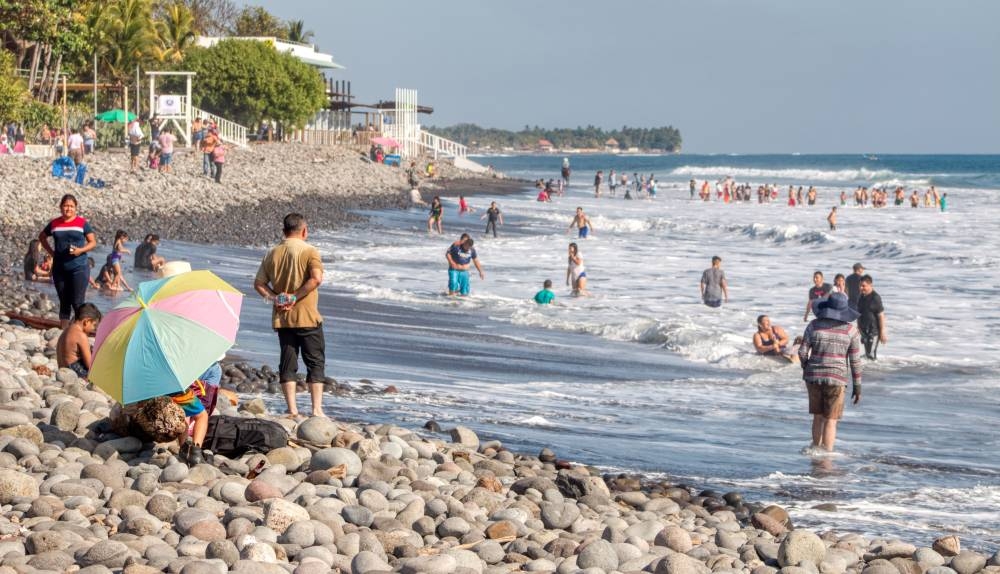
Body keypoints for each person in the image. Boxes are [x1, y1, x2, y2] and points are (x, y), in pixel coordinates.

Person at [253, 213, 326, 418]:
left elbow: (259, 284)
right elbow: (316, 279)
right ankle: (316, 410)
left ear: (284, 231)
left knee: (288, 362)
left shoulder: (272, 253)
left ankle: (292, 409)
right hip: (307, 316)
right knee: (315, 362)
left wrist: (276, 298)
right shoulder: (310, 250)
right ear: (304, 231)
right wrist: (295, 297)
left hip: (283, 318)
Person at [797, 293, 863, 453]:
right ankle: (826, 456)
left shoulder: (813, 325)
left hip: (813, 377)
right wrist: (857, 386)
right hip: (837, 379)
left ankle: (815, 450)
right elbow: (855, 361)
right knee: (831, 420)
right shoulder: (851, 331)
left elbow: (802, 352)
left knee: (818, 417)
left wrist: (807, 367)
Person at [39, 194, 97, 328]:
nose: (68, 209)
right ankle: (64, 330)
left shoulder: (82, 223)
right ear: (61, 207)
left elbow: (93, 242)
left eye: (71, 206)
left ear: (76, 208)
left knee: (77, 301)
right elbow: (42, 237)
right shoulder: (55, 223)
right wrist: (51, 252)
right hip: (59, 267)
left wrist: (80, 250)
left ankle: (79, 330)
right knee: (64, 300)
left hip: (79, 266)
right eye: (65, 206)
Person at [56, 303, 102, 379]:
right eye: (94, 325)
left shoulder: (67, 330)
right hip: (75, 374)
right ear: (86, 321)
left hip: (63, 371)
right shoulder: (81, 336)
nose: (94, 329)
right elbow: (90, 365)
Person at [857, 275, 887, 360]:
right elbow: (859, 313)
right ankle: (867, 372)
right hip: (864, 330)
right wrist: (858, 326)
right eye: (860, 285)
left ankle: (874, 372)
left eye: (863, 286)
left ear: (870, 285)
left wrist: (882, 332)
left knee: (871, 355)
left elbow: (881, 315)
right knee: (866, 354)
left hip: (873, 331)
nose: (861, 288)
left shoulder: (875, 298)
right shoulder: (861, 297)